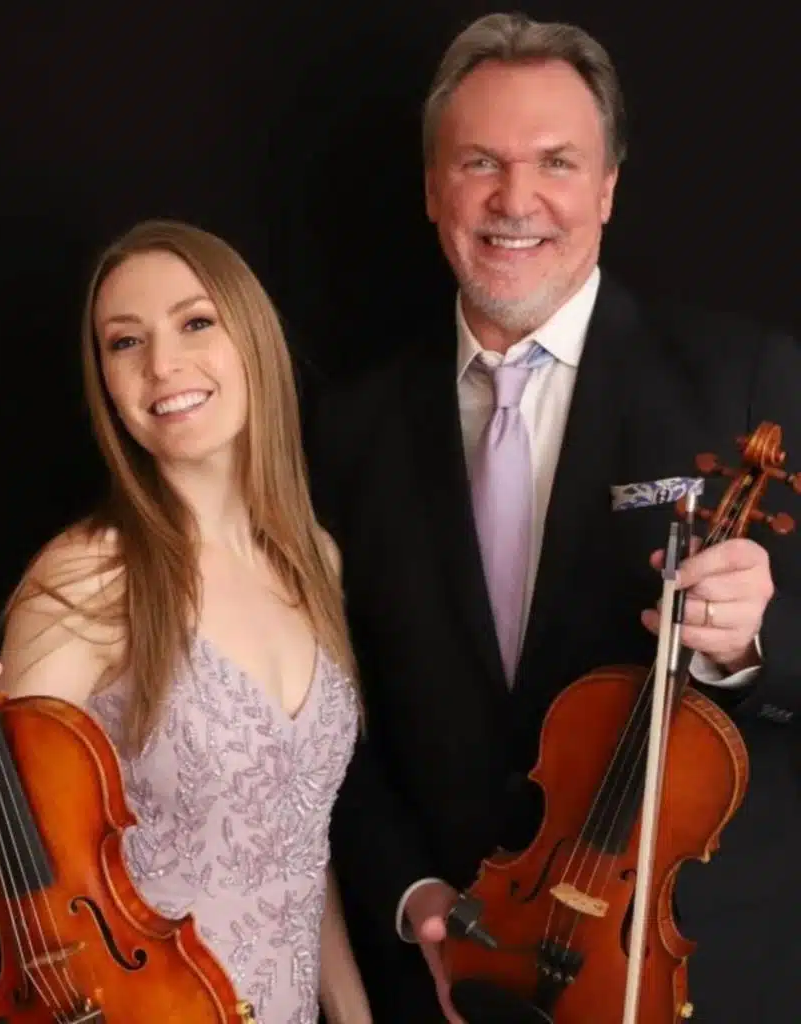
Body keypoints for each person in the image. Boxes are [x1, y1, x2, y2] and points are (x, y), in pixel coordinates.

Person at [304, 12, 801, 1023]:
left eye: (556, 163)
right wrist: (411, 899)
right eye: (478, 161)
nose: (514, 199)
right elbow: (322, 718)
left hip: (695, 977)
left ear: (607, 187)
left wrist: (756, 642)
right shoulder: (346, 428)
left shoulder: (743, 377)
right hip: (459, 978)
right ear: (433, 188)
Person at [0, 219, 373, 1024]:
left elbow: (296, 846)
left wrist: (354, 1014)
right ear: (107, 384)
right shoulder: (89, 578)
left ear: (251, 337)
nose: (162, 366)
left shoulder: (314, 560)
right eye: (125, 343)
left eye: (195, 323)